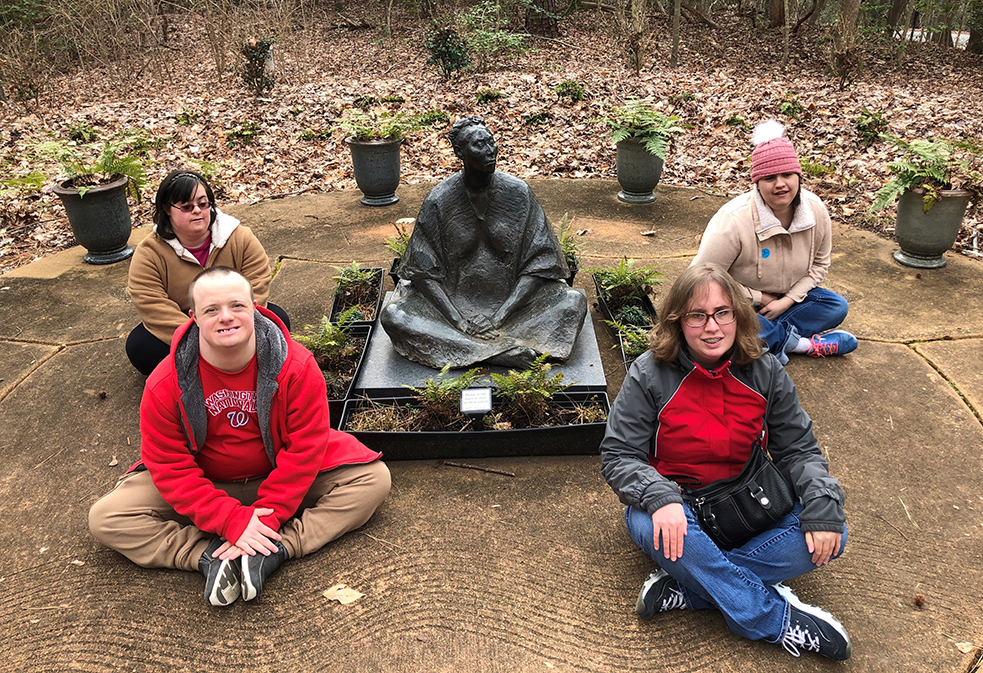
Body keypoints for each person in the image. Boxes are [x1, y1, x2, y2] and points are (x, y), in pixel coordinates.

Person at [90, 266, 391, 606]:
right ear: (193, 317)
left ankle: (274, 549)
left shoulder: (297, 367)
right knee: (107, 518)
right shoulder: (165, 382)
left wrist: (268, 516)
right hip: (207, 481)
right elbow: (169, 464)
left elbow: (305, 449)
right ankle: (208, 555)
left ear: (255, 306)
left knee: (373, 480)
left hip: (279, 473)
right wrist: (229, 520)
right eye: (211, 310)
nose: (226, 317)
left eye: (236, 306)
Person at [600, 264, 850, 661]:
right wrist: (660, 497)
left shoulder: (765, 370)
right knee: (645, 522)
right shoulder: (647, 374)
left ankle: (692, 587)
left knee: (829, 533)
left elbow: (798, 449)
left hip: (752, 504)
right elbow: (618, 454)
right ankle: (776, 620)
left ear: (738, 315)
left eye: (722, 312)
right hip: (678, 510)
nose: (711, 327)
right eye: (697, 315)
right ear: (678, 322)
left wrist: (822, 506)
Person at [381, 117, 587, 369]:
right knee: (395, 316)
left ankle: (473, 349)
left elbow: (540, 263)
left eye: (491, 142)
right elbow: (423, 273)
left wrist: (500, 318)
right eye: (480, 145)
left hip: (514, 308)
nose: (490, 151)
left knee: (573, 302)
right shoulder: (439, 199)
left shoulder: (518, 193)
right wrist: (459, 322)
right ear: (460, 152)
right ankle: (500, 354)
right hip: (452, 309)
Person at [691, 121, 856, 364]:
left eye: (787, 175)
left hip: (786, 300)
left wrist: (786, 301)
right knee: (718, 322)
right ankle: (800, 344)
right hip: (736, 302)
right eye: (769, 177)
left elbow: (819, 265)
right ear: (757, 183)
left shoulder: (816, 211)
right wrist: (760, 299)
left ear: (798, 176)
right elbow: (700, 278)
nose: (780, 184)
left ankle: (762, 339)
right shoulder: (733, 219)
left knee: (835, 306)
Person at [125, 169, 289, 376]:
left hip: (236, 315)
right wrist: (202, 336)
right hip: (187, 323)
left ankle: (233, 366)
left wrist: (234, 324)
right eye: (186, 206)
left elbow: (257, 282)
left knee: (278, 319)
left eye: (203, 204)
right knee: (141, 347)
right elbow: (151, 303)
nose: (197, 211)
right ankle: (204, 370)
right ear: (167, 209)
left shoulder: (240, 238)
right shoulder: (150, 252)